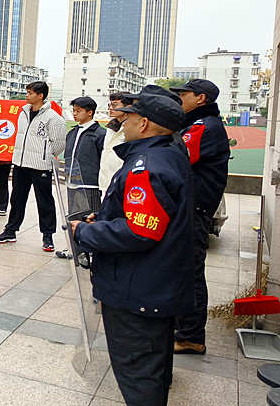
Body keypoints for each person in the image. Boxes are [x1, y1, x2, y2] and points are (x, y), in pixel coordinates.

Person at [71, 94, 195, 406]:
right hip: (154, 284)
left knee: (138, 374)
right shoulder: (168, 154)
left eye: (128, 117)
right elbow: (148, 215)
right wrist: (103, 218)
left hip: (137, 290)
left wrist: (85, 231)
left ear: (144, 124)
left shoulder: (146, 167)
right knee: (153, 369)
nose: (123, 122)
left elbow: (141, 230)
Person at [170, 78, 230, 355]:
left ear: (201, 98)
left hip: (195, 209)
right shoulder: (198, 123)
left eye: (184, 94)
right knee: (183, 269)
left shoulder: (203, 126)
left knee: (190, 272)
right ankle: (183, 327)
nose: (180, 98)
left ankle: (192, 336)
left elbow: (177, 158)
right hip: (192, 206)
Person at [0, 81, 66, 250]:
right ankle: (10, 231)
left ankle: (48, 236)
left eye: (31, 93)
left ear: (41, 95)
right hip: (20, 164)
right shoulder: (23, 113)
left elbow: (59, 144)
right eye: (27, 92)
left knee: (44, 202)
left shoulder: (53, 118)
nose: (27, 95)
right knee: (17, 199)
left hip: (41, 166)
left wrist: (45, 155)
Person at [64, 96, 106, 218]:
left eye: (78, 111)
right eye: (73, 110)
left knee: (89, 218)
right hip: (72, 183)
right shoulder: (72, 132)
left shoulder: (100, 134)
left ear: (89, 112)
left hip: (89, 185)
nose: (74, 114)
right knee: (73, 218)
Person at [98, 92, 136, 191]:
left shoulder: (133, 130)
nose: (110, 108)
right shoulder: (111, 127)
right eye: (109, 105)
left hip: (122, 184)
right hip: (106, 182)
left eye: (115, 105)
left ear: (128, 107)